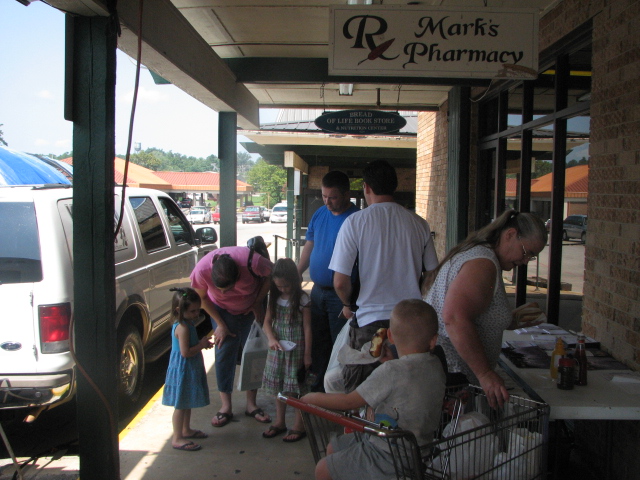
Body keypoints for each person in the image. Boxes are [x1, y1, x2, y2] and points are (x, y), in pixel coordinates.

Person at [301, 299, 446, 480]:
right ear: (433, 340)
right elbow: (411, 379)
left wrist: (311, 398)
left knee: (323, 469)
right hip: (416, 450)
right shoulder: (435, 365)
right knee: (333, 447)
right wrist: (391, 362)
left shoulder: (391, 371)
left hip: (388, 451)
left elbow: (349, 402)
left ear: (390, 336)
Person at [329, 160, 438, 392]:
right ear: (394, 186)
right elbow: (432, 273)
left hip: (369, 324)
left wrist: (348, 304)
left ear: (366, 187)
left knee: (362, 394)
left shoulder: (355, 222)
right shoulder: (419, 224)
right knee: (405, 391)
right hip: (410, 324)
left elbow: (339, 281)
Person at [425, 209, 547, 408]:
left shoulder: (480, 254)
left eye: (531, 257)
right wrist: (485, 374)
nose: (525, 261)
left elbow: (473, 312)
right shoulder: (483, 263)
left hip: (449, 376)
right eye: (527, 253)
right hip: (454, 380)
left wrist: (509, 319)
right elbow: (454, 318)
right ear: (510, 235)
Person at [191, 247, 273, 427]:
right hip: (221, 311)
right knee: (224, 352)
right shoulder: (202, 269)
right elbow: (202, 298)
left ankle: (251, 404)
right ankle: (226, 406)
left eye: (227, 289)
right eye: (219, 289)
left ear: (238, 276)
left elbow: (272, 274)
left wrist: (258, 301)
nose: (223, 293)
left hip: (250, 308)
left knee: (253, 354)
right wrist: (220, 324)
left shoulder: (253, 262)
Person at [297, 170, 359, 392]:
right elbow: (309, 245)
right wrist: (297, 272)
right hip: (317, 291)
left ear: (347, 194)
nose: (327, 202)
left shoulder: (356, 218)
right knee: (317, 342)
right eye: (324, 196)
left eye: (332, 197)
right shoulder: (320, 213)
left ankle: (338, 391)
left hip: (341, 296)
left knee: (339, 345)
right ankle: (319, 388)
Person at [261, 258, 312, 443]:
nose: (283, 289)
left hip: (297, 349)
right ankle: (280, 421)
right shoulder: (274, 298)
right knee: (279, 386)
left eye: (287, 286)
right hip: (278, 349)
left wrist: (307, 354)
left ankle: (299, 424)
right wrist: (271, 338)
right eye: (279, 286)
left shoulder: (303, 299)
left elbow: (307, 327)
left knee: (297, 387)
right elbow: (267, 322)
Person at [162, 287, 213, 451]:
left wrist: (201, 344)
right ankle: (177, 437)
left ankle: (186, 429)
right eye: (193, 311)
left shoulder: (188, 323)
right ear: (179, 310)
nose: (196, 314)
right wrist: (201, 345)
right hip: (184, 368)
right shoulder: (182, 328)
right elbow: (186, 352)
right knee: (181, 405)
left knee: (186, 400)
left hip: (189, 367)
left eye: (198, 310)